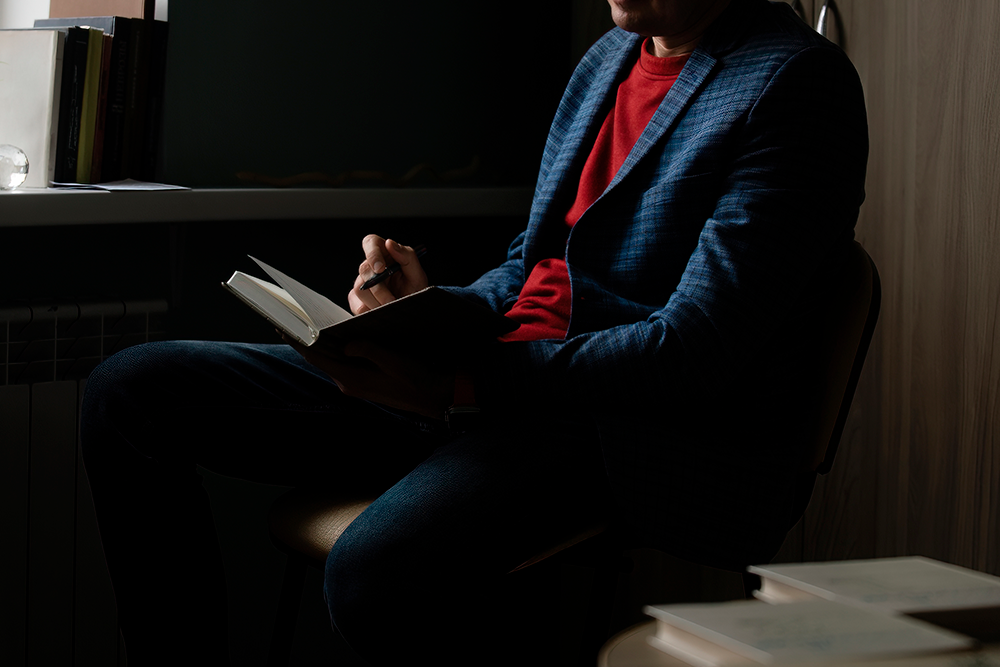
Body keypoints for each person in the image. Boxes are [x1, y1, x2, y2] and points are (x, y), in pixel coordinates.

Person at [80, 0, 868, 665]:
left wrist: (470, 383)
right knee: (132, 391)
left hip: (617, 427)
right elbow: (534, 262)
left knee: (375, 572)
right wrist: (424, 314)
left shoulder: (794, 83)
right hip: (489, 385)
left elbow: (697, 350)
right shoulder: (608, 57)